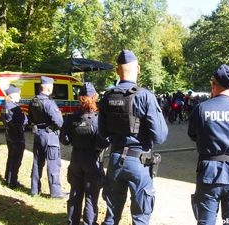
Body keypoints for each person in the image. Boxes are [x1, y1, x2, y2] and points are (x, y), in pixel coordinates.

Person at [98, 50, 168, 225]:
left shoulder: (107, 96)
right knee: (141, 218)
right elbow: (160, 136)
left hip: (115, 160)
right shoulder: (145, 96)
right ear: (138, 68)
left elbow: (102, 133)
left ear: (116, 71)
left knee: (112, 216)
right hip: (139, 162)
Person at [188, 64, 229, 225]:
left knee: (206, 222)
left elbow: (193, 135)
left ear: (213, 84)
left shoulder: (201, 109)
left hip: (209, 174)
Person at [60, 82, 110, 225]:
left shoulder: (71, 118)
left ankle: (72, 222)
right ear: (95, 97)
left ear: (79, 98)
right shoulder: (98, 119)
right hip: (93, 160)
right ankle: (89, 222)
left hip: (76, 159)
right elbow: (103, 143)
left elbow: (64, 140)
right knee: (91, 196)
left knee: (75, 192)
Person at [28, 76, 66, 198]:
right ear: (49, 88)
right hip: (49, 136)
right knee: (53, 164)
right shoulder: (48, 102)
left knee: (37, 163)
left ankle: (34, 190)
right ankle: (55, 193)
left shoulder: (33, 100)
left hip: (38, 134)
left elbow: (31, 118)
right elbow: (59, 122)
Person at [1, 85, 28, 189]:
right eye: (19, 95)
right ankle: (12, 182)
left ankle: (8, 177)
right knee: (16, 159)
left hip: (9, 135)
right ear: (12, 96)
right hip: (17, 136)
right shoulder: (14, 108)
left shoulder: (5, 106)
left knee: (11, 157)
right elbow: (24, 120)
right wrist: (24, 116)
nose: (20, 97)